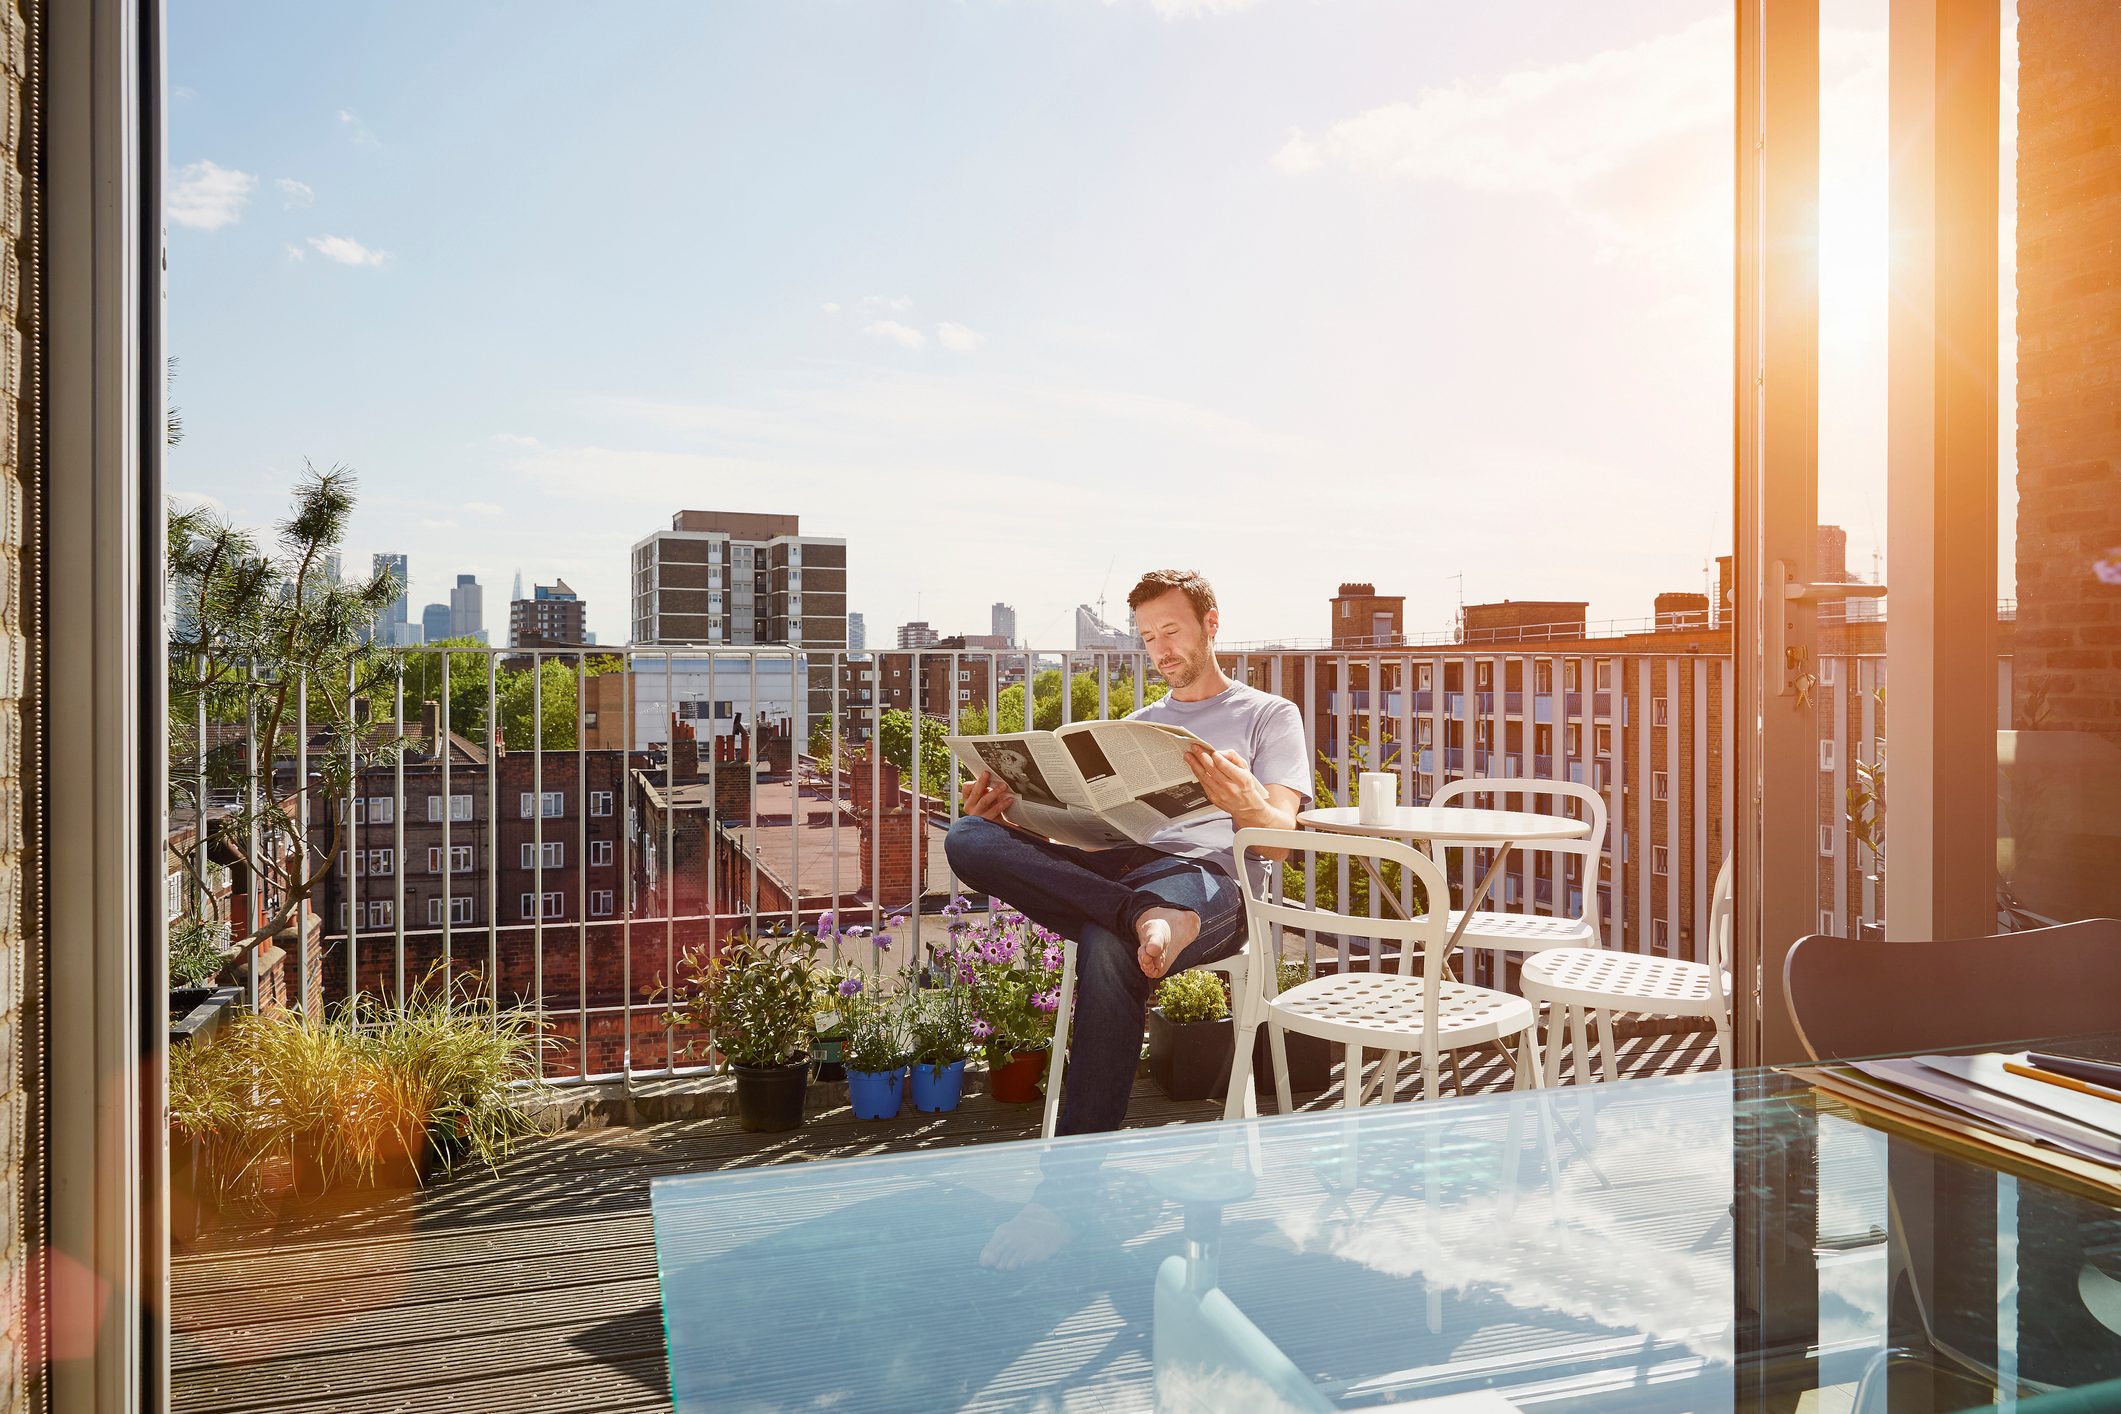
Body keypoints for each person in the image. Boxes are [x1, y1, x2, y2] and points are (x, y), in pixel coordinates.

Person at [944, 569, 1312, 1266]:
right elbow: (1095, 839)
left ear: (1210, 624)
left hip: (1215, 884)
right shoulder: (1139, 726)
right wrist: (1019, 816)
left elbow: (1280, 839)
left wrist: (1245, 804)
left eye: (1171, 630)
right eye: (1147, 637)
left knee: (1109, 947)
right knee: (968, 838)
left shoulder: (1268, 715)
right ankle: (1142, 914)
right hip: (1127, 877)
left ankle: (1063, 1203)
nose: (1160, 649)